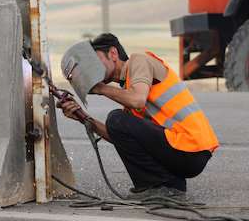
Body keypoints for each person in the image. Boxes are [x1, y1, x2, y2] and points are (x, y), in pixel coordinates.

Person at [57, 33, 219, 198]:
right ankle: (169, 187)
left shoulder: (139, 61)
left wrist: (100, 89)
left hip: (190, 146)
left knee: (116, 118)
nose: (89, 69)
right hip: (187, 153)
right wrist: (83, 118)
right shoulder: (129, 87)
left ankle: (154, 186)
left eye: (95, 60)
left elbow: (138, 100)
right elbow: (120, 138)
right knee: (118, 121)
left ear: (113, 54)